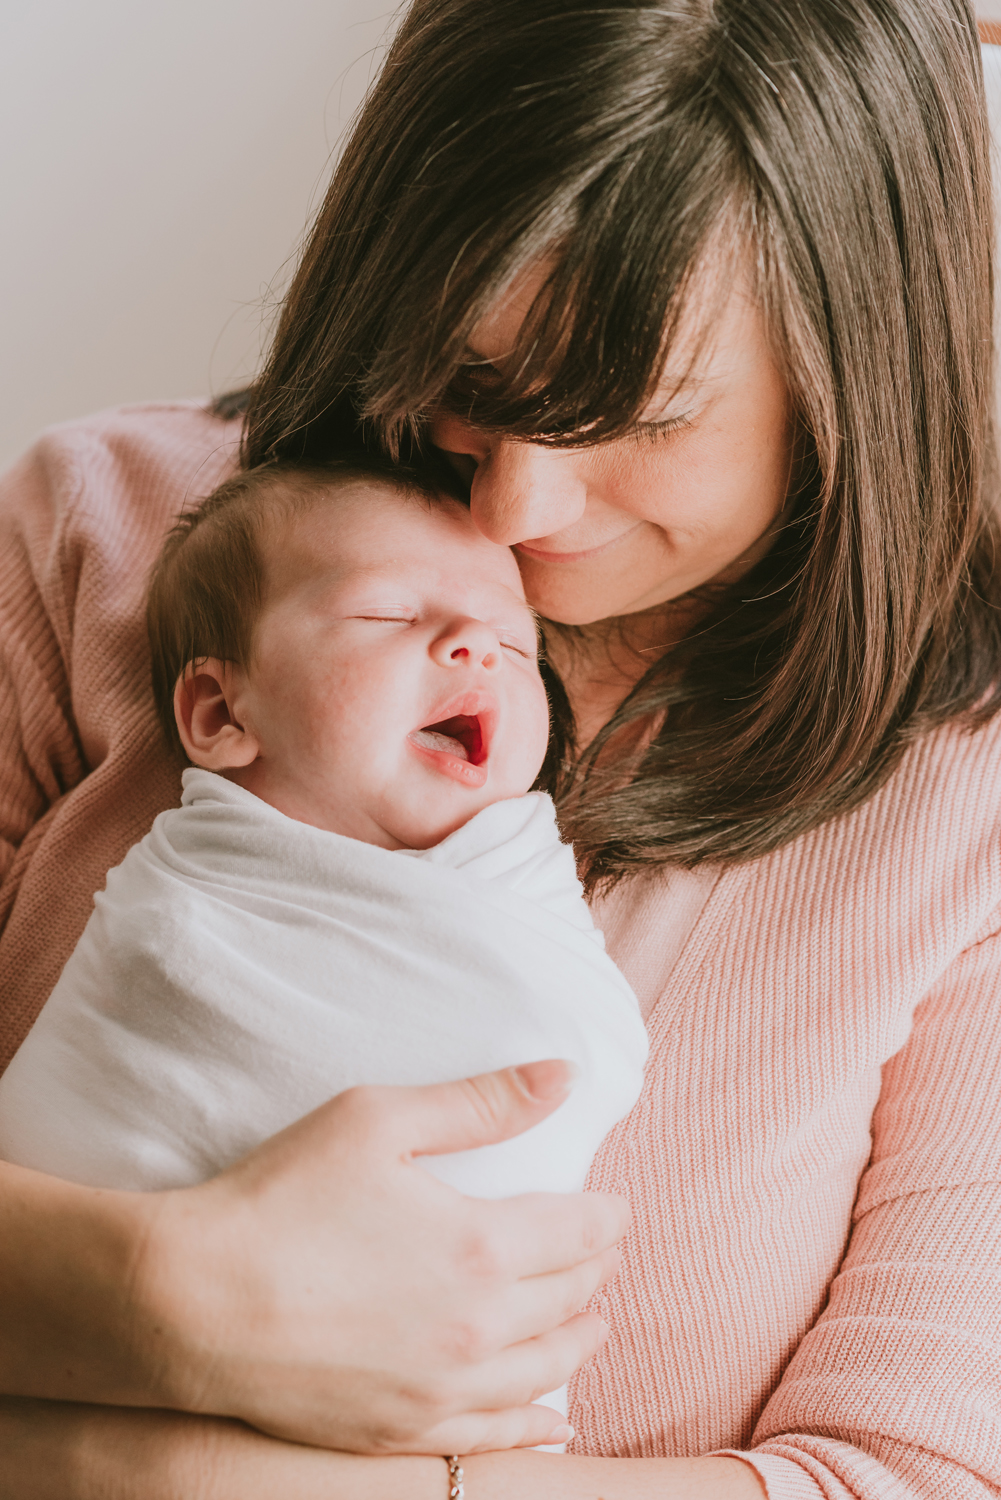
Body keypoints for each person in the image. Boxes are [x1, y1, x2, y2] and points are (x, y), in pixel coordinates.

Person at [2, 0, 1000, 1496]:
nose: (518, 514)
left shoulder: (965, 808)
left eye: (637, 416)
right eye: (469, 384)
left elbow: (912, 1474)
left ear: (858, 362)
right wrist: (171, 1300)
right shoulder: (99, 536)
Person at [0, 460, 646, 1454]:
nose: (476, 644)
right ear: (222, 714)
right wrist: (153, 1289)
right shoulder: (192, 911)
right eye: (388, 618)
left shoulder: (515, 878)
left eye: (517, 646)